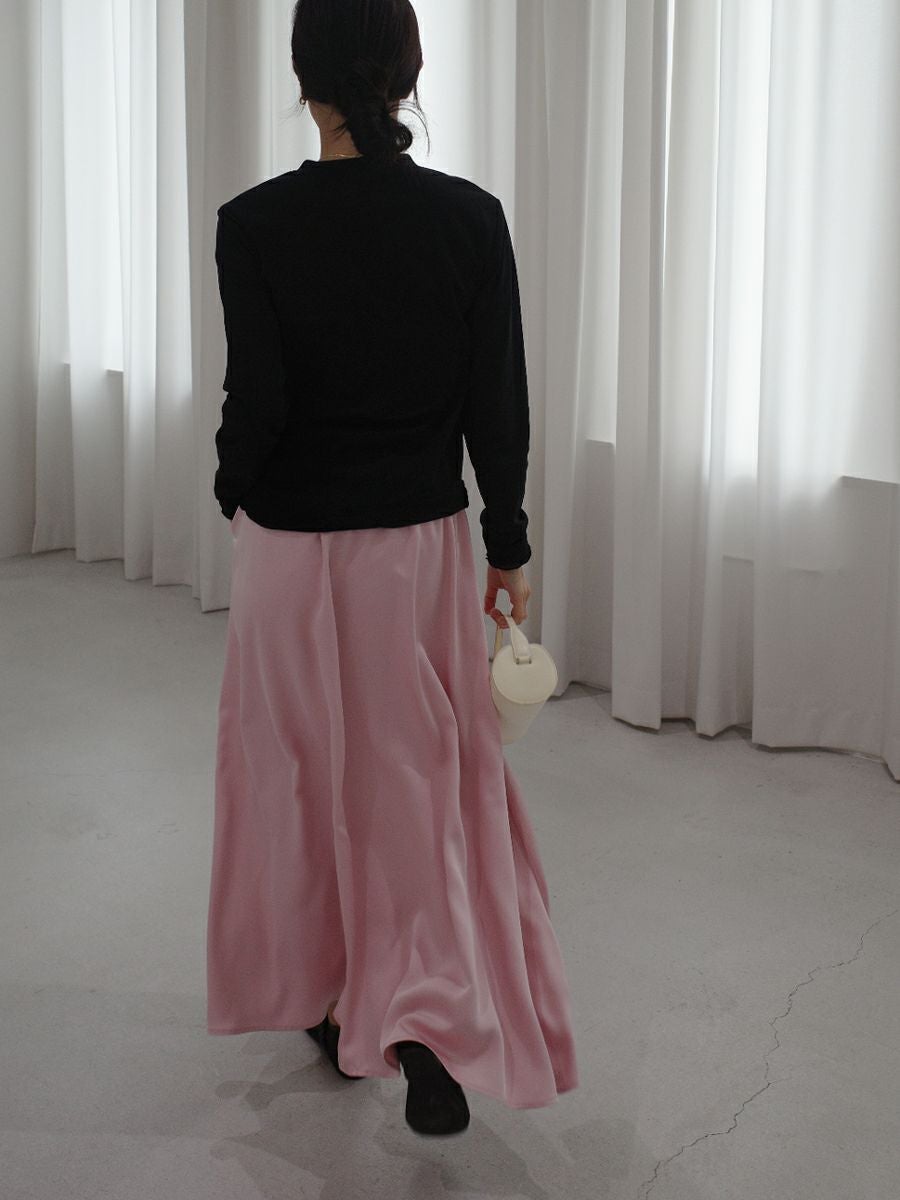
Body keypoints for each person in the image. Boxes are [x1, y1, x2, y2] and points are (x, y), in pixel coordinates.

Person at [206, 0, 579, 1138]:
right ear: (408, 74)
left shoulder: (253, 223)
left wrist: (232, 487)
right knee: (413, 783)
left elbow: (259, 399)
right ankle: (422, 1018)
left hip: (287, 550)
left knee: (297, 778)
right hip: (413, 551)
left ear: (302, 75)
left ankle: (331, 999)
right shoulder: (469, 220)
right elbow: (496, 405)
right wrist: (507, 545)